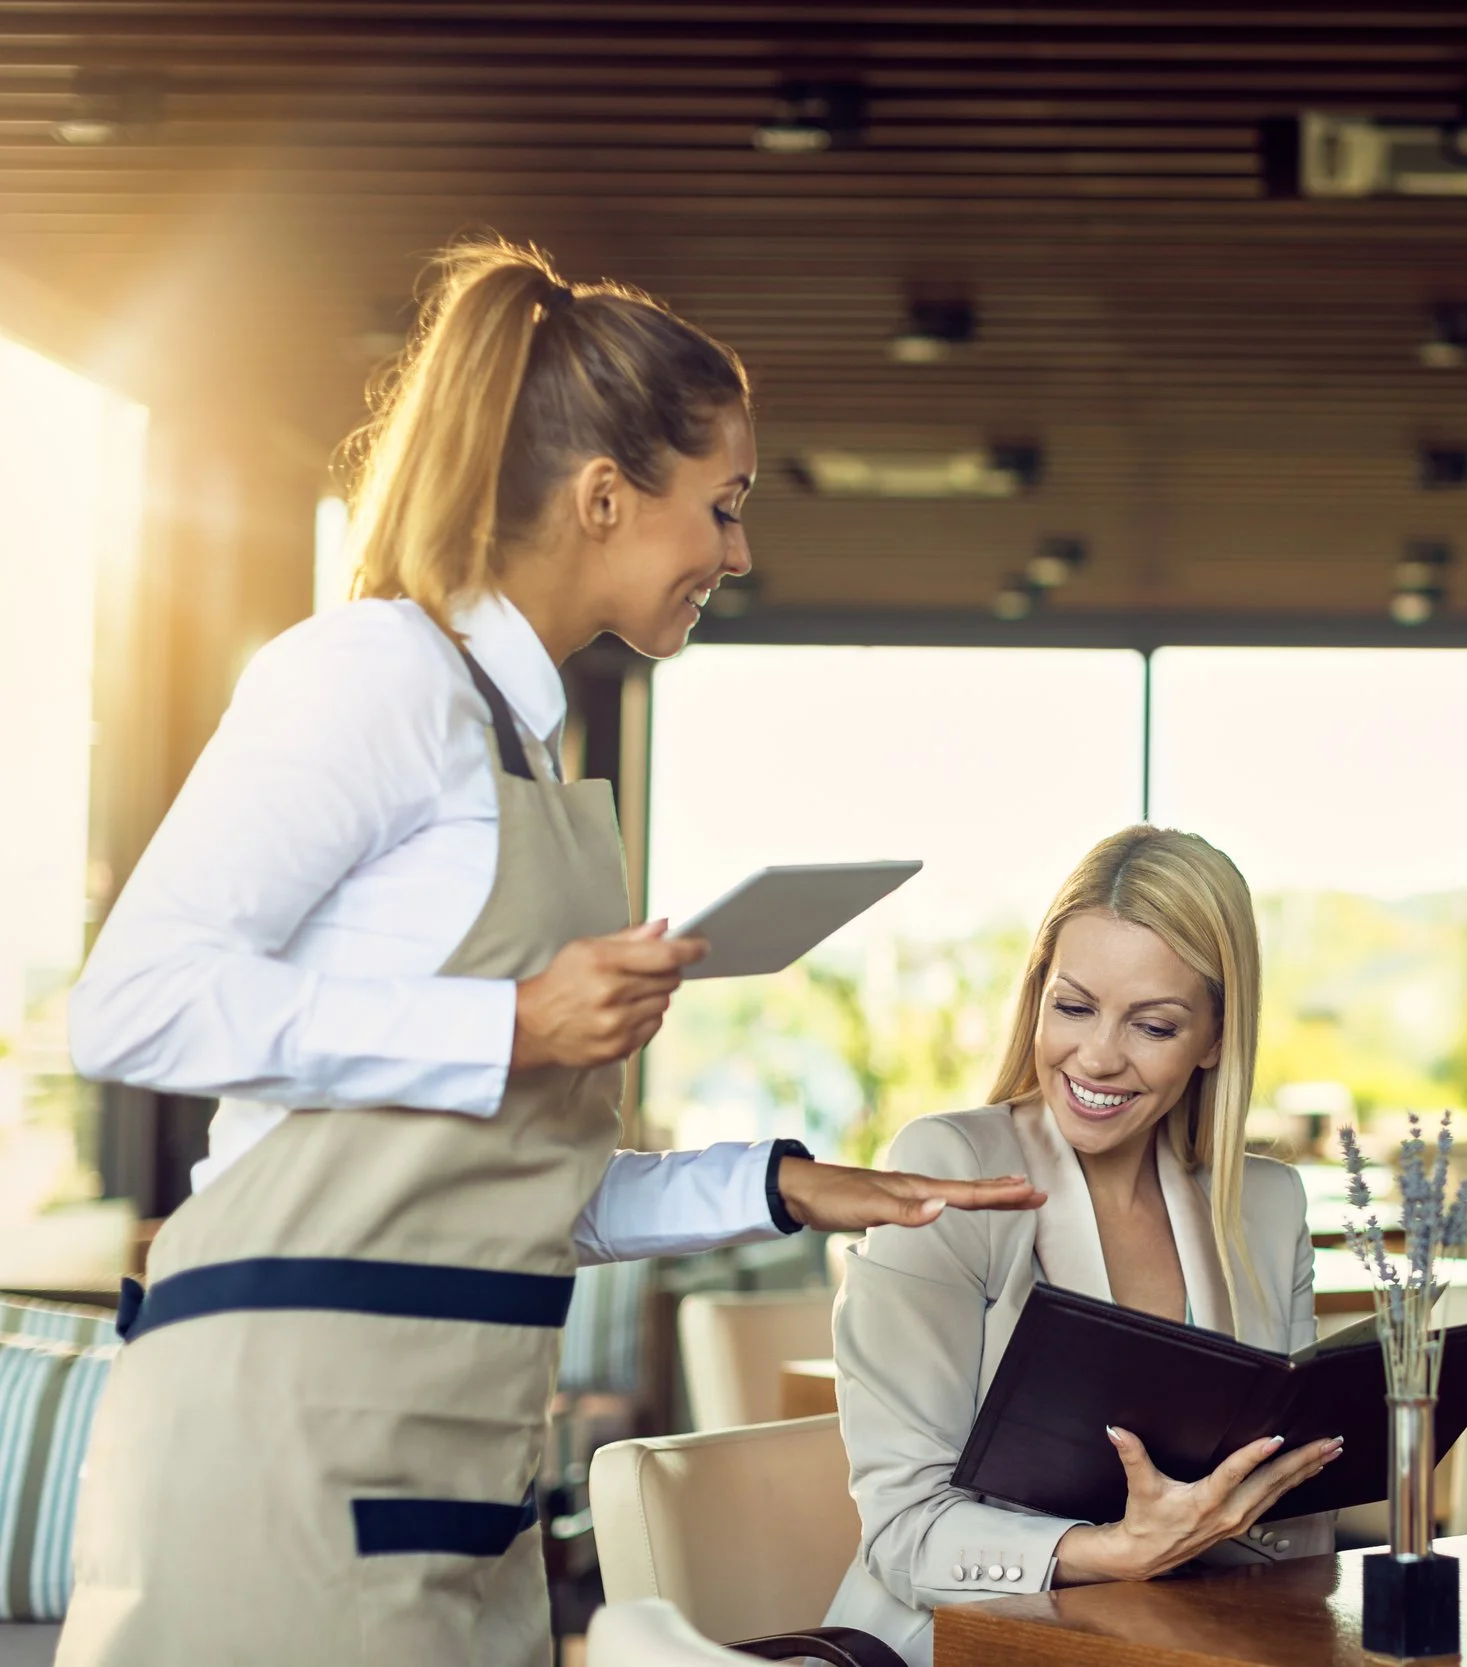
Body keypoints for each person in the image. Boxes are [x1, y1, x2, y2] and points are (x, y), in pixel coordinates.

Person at [57, 239, 1042, 1667]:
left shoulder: (527, 742)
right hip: (286, 1434)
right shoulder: (372, 675)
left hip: (464, 1457)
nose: (741, 551)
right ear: (601, 497)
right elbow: (129, 1008)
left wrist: (777, 1186)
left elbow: (505, 1182)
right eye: (725, 503)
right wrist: (514, 1020)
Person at [824, 826, 1341, 1667]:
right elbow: (903, 1532)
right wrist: (1115, 1551)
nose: (1097, 1055)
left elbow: (1289, 1515)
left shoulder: (1268, 1206)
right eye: (1073, 1007)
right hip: (956, 1646)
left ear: (1215, 1038)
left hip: (1181, 1646)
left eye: (1154, 1025)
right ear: (1038, 997)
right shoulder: (951, 1170)